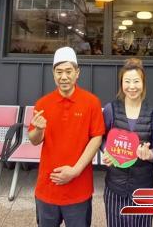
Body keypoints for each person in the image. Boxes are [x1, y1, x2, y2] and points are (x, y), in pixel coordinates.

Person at [28, 46, 105, 227]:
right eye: (59, 72)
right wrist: (38, 129)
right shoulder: (43, 103)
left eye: (69, 71)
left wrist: (76, 170)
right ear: (53, 74)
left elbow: (96, 138)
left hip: (79, 187)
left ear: (77, 73)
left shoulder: (91, 102)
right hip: (48, 186)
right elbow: (34, 140)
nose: (64, 77)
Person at [102, 58, 153, 227]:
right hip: (115, 185)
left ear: (143, 83)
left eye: (136, 81)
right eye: (127, 81)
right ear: (121, 84)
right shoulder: (111, 109)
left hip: (144, 187)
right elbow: (101, 138)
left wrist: (149, 154)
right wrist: (106, 150)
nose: (132, 86)